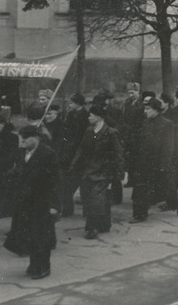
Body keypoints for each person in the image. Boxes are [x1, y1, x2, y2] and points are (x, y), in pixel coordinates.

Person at [4, 125, 62, 280]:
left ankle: (43, 267)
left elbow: (55, 181)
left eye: (25, 138)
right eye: (21, 138)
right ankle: (33, 264)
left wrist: (54, 205)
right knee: (28, 235)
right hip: (24, 202)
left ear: (36, 138)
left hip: (42, 202)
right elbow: (19, 172)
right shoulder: (22, 153)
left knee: (41, 236)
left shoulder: (48, 154)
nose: (22, 141)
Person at [69, 104, 123, 238]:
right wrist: (73, 166)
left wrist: (120, 173)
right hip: (88, 171)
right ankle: (104, 225)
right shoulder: (88, 131)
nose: (88, 117)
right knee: (88, 198)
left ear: (98, 117)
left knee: (96, 199)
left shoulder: (111, 133)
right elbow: (81, 150)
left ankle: (92, 228)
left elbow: (118, 154)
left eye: (91, 115)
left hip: (104, 172)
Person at [130, 97, 178, 223]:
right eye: (145, 109)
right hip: (143, 162)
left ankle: (177, 201)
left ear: (156, 110)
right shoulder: (145, 122)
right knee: (140, 187)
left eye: (148, 109)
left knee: (165, 187)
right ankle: (140, 214)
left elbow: (168, 146)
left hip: (159, 162)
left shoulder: (167, 124)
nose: (145, 111)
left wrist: (164, 164)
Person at [61, 93, 89, 216]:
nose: (69, 105)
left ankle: (87, 211)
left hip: (82, 152)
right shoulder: (71, 114)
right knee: (67, 182)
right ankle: (67, 210)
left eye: (71, 103)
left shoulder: (86, 116)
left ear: (78, 104)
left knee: (83, 183)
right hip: (70, 151)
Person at [121, 82, 145, 188]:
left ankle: (137, 180)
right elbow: (125, 117)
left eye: (132, 92)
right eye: (129, 93)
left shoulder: (143, 103)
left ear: (138, 91)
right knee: (129, 158)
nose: (130, 95)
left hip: (138, 135)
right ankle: (131, 179)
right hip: (128, 134)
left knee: (138, 159)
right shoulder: (127, 102)